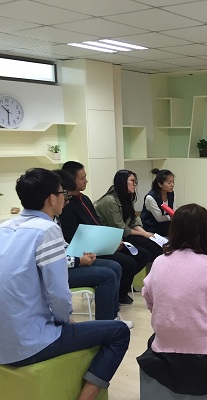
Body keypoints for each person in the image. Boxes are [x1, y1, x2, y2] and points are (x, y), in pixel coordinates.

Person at [0, 168, 130, 400]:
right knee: (119, 332)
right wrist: (65, 320)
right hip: (30, 344)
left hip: (4, 341)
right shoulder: (47, 230)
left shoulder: (4, 228)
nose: (65, 198)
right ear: (52, 198)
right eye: (63, 193)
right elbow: (59, 295)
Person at [138, 204, 207, 396]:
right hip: (205, 349)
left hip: (163, 343)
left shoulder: (159, 262)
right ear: (205, 231)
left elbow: (150, 301)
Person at [60, 161, 150, 305]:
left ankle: (118, 290)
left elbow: (97, 224)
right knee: (127, 263)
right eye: (82, 178)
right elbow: (73, 236)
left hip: (100, 242)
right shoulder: (67, 205)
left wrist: (111, 240)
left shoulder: (84, 199)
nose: (86, 181)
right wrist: (106, 243)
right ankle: (116, 294)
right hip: (88, 249)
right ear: (70, 180)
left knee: (142, 254)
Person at [54, 170, 132, 328]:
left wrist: (81, 255)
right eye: (66, 196)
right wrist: (78, 260)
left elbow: (63, 246)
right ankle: (106, 324)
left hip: (70, 261)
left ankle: (112, 316)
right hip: (60, 271)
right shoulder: (46, 226)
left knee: (115, 266)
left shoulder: (54, 218)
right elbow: (54, 262)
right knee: (108, 274)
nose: (67, 201)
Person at [95, 169, 164, 263]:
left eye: (136, 181)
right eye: (132, 181)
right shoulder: (110, 201)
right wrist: (144, 234)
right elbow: (120, 228)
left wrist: (145, 233)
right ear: (122, 181)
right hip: (110, 237)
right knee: (145, 251)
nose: (135, 184)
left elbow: (132, 220)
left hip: (122, 234)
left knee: (153, 244)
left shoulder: (126, 196)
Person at [140, 168, 175, 237]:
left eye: (173, 182)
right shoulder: (150, 197)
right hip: (153, 228)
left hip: (166, 226)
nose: (172, 185)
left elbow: (173, 210)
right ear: (160, 184)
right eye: (169, 183)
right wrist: (172, 217)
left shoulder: (172, 194)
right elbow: (159, 218)